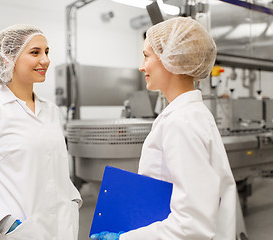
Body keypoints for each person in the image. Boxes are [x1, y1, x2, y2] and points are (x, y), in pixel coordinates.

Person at [91, 17, 236, 240]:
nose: (141, 66)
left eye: (146, 56)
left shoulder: (182, 122)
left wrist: (124, 239)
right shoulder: (189, 114)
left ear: (172, 59)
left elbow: (191, 225)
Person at [0, 24, 82, 240]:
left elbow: (55, 168)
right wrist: (6, 223)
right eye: (35, 52)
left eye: (47, 52)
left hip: (62, 228)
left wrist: (73, 201)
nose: (45, 60)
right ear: (7, 59)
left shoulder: (51, 111)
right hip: (19, 232)